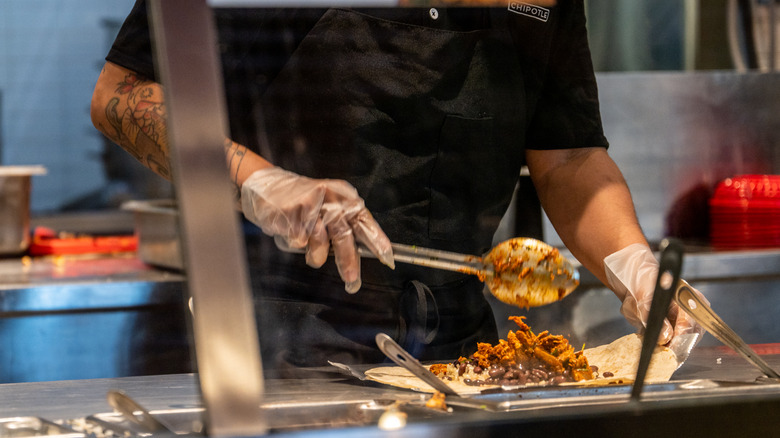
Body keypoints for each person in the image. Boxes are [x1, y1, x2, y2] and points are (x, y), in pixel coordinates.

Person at [91, 1, 703, 377]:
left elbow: (568, 156)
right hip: (278, 343)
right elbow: (121, 93)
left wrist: (632, 261)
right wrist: (255, 177)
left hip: (465, 356)